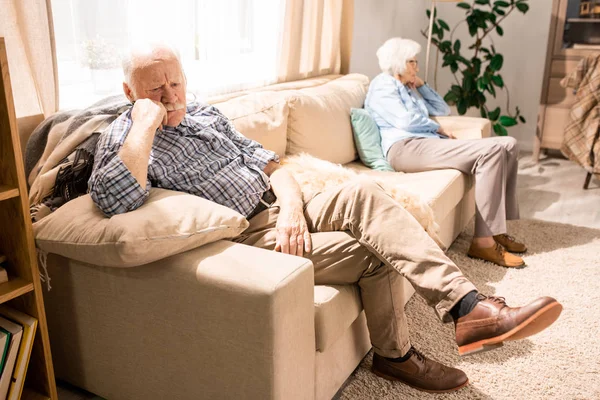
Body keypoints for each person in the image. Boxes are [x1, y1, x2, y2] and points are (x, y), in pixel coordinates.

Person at [88, 43, 562, 393]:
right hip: (248, 234)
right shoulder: (126, 137)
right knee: (374, 253)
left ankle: (466, 308)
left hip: (283, 205)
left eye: (176, 82)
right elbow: (114, 198)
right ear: (130, 91)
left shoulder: (206, 117)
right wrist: (145, 122)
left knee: (363, 192)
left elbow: (270, 164)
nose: (171, 94)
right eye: (156, 88)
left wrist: (292, 204)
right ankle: (400, 355)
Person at [365, 37, 526, 268]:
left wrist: (420, 85)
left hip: (424, 143)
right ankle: (483, 242)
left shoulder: (407, 87)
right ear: (398, 62)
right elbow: (405, 120)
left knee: (509, 144)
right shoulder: (383, 85)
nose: (416, 67)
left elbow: (442, 108)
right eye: (412, 62)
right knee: (491, 151)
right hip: (405, 148)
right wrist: (437, 127)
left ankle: (496, 229)